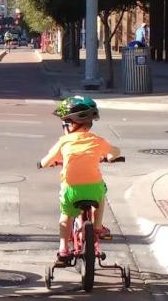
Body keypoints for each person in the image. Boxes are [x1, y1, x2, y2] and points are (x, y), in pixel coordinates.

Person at [39, 96, 120, 268]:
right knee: (102, 193)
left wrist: (42, 164)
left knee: (66, 215)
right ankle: (98, 226)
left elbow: (46, 161)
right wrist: (111, 157)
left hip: (71, 190)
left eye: (65, 124)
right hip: (93, 189)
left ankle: (63, 250)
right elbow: (115, 152)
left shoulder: (64, 141)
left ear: (71, 124)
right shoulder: (97, 140)